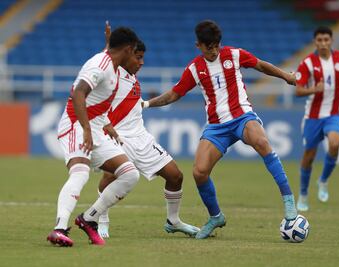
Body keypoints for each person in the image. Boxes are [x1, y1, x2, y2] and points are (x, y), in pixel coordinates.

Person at [141, 20, 300, 239]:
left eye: (217, 45)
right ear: (199, 45)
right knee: (199, 172)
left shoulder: (234, 54)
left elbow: (261, 65)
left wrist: (286, 76)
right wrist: (147, 104)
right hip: (216, 126)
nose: (214, 50)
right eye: (209, 47)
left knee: (262, 143)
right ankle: (216, 216)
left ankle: (289, 203)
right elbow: (174, 94)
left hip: (242, 116)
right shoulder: (195, 69)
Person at [97, 22, 199, 238]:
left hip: (142, 138)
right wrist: (108, 44)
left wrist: (144, 104)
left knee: (175, 176)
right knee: (110, 177)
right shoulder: (112, 72)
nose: (141, 62)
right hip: (118, 138)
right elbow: (107, 58)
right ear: (126, 55)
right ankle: (101, 220)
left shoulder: (133, 76)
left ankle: (173, 221)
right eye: (138, 58)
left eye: (142, 57)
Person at [47, 27, 140, 246]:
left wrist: (107, 127)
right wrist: (86, 129)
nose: (136, 57)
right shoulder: (101, 64)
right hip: (75, 125)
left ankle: (88, 219)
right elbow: (79, 92)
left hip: (96, 128)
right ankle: (59, 229)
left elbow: (97, 102)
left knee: (130, 174)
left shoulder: (113, 66)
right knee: (80, 173)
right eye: (135, 52)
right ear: (127, 49)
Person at [295, 26, 339, 211]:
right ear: (315, 41)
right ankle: (303, 193)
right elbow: (298, 90)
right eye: (319, 40)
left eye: (326, 40)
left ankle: (323, 180)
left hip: (335, 113)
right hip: (313, 116)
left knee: (335, 143)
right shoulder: (307, 63)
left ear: (331, 41)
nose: (323, 43)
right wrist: (314, 89)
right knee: (309, 156)